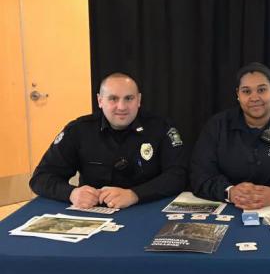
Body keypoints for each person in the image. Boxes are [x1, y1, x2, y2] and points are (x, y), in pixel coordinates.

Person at [30, 73, 188, 209]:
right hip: (95, 214)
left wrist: (135, 195)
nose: (121, 106)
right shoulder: (79, 130)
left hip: (146, 207)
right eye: (113, 99)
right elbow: (41, 177)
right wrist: (71, 193)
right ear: (100, 101)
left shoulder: (160, 128)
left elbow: (179, 175)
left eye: (129, 98)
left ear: (139, 100)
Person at [190, 62, 270, 209]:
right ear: (238, 94)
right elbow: (200, 174)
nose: (254, 97)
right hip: (231, 207)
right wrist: (230, 192)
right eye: (246, 91)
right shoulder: (217, 125)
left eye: (262, 90)